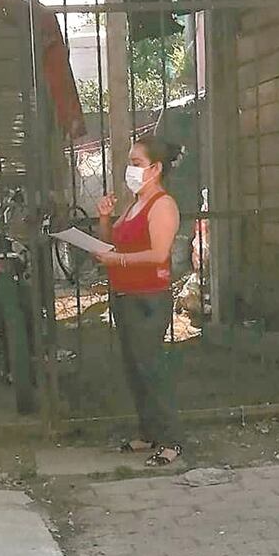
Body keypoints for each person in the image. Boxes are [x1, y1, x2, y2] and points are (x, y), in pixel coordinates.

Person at [95, 135, 184, 467]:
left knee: (150, 368)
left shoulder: (162, 205)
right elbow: (113, 244)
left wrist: (115, 261)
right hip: (125, 294)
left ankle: (171, 439)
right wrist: (104, 219)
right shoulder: (134, 204)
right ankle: (149, 432)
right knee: (135, 368)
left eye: (136, 164)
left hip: (148, 296)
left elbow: (158, 254)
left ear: (156, 168)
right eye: (129, 163)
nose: (130, 170)